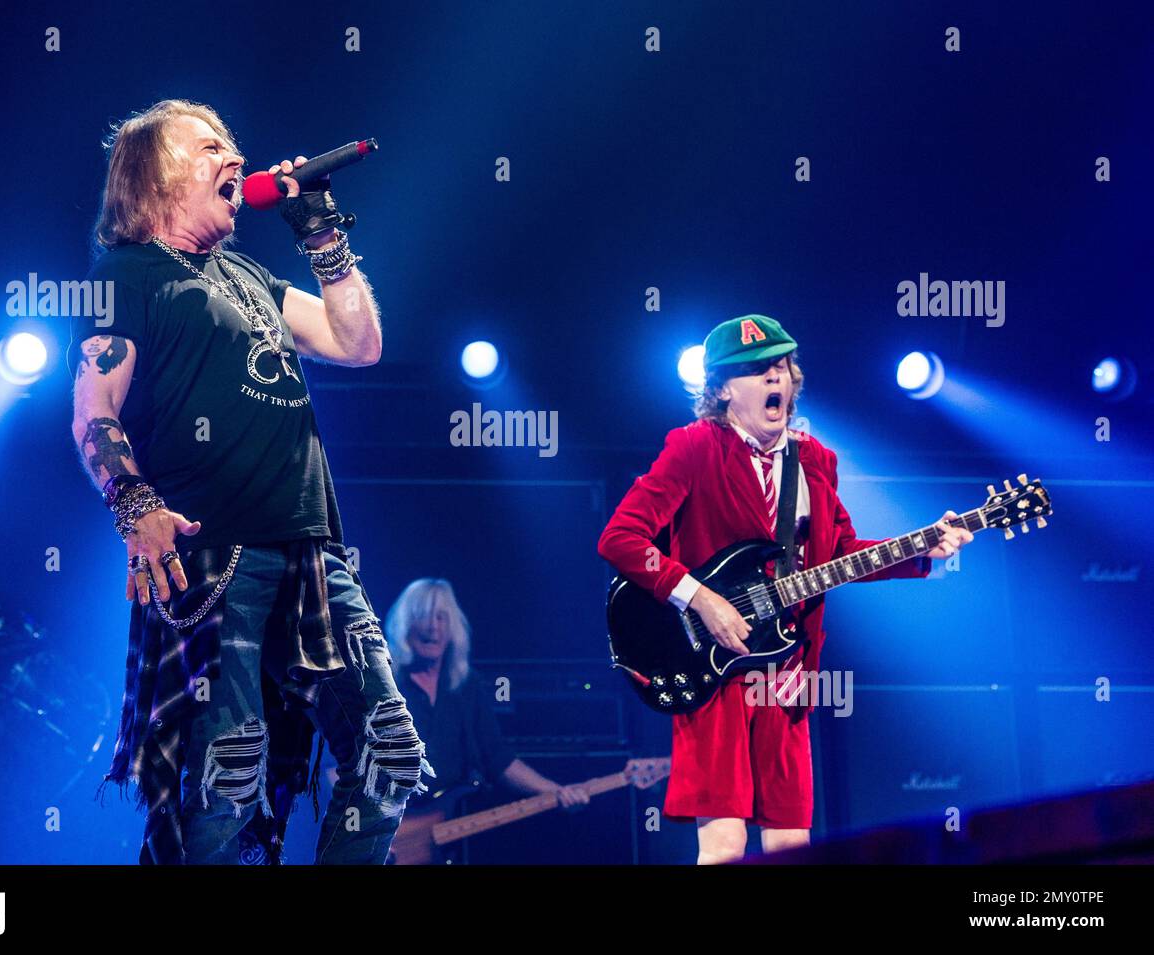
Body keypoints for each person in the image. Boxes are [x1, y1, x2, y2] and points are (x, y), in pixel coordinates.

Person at [69, 99, 429, 865]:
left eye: (234, 144)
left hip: (311, 547)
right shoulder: (126, 274)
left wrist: (322, 232)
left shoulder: (250, 275)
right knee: (229, 774)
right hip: (212, 549)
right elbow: (93, 409)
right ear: (158, 174)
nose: (235, 158)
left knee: (389, 750)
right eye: (209, 148)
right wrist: (135, 506)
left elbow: (357, 342)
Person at [597, 315, 972, 864]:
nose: (775, 379)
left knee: (790, 843)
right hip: (711, 663)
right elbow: (621, 537)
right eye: (756, 371)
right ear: (723, 389)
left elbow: (838, 554)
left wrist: (922, 550)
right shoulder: (694, 447)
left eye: (781, 367)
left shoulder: (815, 460)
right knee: (724, 842)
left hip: (786, 668)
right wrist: (702, 599)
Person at [386, 579, 592, 818]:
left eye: (441, 617)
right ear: (404, 625)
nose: (433, 627)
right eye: (424, 616)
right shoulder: (384, 684)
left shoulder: (466, 686)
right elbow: (345, 763)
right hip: (390, 828)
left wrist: (556, 791)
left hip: (447, 827)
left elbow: (497, 757)